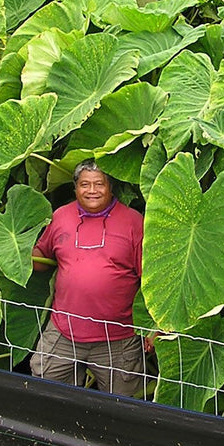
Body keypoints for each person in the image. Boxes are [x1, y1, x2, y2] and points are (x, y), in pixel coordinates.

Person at [30, 159, 147, 397]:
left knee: (121, 407)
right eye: (85, 184)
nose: (92, 190)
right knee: (46, 391)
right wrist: (9, 247)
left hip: (117, 338)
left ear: (110, 187)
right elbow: (40, 257)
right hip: (64, 331)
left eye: (99, 184)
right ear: (75, 188)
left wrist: (155, 328)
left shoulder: (134, 222)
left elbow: (152, 280)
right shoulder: (61, 216)